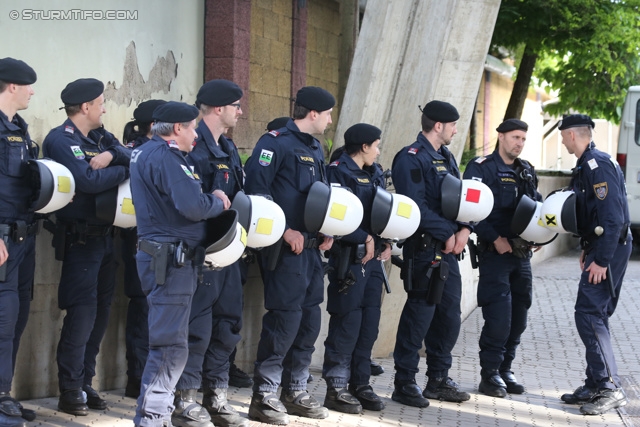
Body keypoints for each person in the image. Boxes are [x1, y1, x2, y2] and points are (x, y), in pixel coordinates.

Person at [130, 101, 229, 427]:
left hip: (164, 259)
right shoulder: (167, 158)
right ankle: (153, 419)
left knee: (169, 344)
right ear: (177, 129)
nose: (195, 134)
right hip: (170, 262)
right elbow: (191, 205)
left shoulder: (147, 152)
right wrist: (215, 201)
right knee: (170, 348)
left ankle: (153, 417)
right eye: (192, 127)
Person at [243, 86, 335, 425]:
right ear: (313, 113)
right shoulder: (275, 142)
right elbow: (256, 193)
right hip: (285, 250)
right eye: (327, 114)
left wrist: (325, 229)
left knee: (309, 321)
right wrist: (284, 230)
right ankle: (264, 396)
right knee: (284, 321)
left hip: (312, 251)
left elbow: (319, 197)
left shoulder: (316, 147)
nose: (329, 120)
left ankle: (295, 389)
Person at [42, 78, 131, 416]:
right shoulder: (61, 139)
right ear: (85, 107)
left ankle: (85, 382)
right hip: (80, 239)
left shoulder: (100, 138)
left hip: (107, 238)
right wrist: (123, 169)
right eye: (101, 102)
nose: (105, 107)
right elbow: (87, 181)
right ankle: (69, 389)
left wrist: (113, 156)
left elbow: (131, 155)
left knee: (100, 314)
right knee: (82, 314)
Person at [172, 79, 248, 427]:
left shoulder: (228, 148)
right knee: (197, 327)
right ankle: (184, 399)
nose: (240, 111)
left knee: (229, 323)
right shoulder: (191, 144)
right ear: (219, 108)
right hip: (200, 253)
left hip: (228, 251)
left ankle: (215, 394)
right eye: (236, 105)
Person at [390, 100, 471, 408]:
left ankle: (438, 379)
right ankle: (404, 382)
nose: (455, 130)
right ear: (438, 125)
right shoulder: (410, 158)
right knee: (419, 316)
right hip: (424, 251)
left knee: (449, 317)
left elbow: (461, 198)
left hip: (449, 253)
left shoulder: (446, 157)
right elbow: (415, 207)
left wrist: (464, 228)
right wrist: (447, 232)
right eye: (452, 125)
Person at [557, 114, 632, 415]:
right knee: (594, 313)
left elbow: (612, 218)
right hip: (604, 247)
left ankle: (608, 386)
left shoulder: (596, 165)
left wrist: (601, 259)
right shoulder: (590, 163)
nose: (561, 140)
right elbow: (596, 217)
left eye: (563, 135)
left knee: (589, 314)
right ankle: (594, 383)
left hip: (610, 251)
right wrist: (589, 249)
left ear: (573, 135)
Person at [463, 119, 541, 397]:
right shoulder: (481, 168)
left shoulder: (527, 171)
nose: (519, 143)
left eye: (523, 139)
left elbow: (536, 206)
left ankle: (506, 369)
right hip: (494, 255)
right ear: (501, 137)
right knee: (499, 317)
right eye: (515, 137)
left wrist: (540, 236)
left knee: (519, 316)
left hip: (521, 255)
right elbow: (470, 209)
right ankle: (490, 374)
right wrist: (495, 238)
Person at [322, 123, 390, 414]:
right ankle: (336, 386)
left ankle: (360, 383)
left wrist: (385, 240)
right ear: (363, 147)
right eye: (376, 145)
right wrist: (361, 238)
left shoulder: (375, 172)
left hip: (373, 261)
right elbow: (333, 217)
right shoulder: (338, 171)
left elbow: (380, 212)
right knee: (347, 323)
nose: (378, 150)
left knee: (368, 325)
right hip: (348, 258)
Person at [0, 57, 38, 427]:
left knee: (17, 316)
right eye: (28, 86)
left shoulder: (19, 128)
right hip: (2, 237)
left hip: (24, 236)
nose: (32, 92)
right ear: (12, 86)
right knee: (3, 318)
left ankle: (4, 394)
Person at [120, 99, 167, 399]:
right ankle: (137, 378)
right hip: (141, 241)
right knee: (143, 308)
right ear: (154, 126)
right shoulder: (137, 153)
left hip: (161, 242)